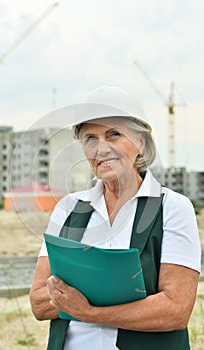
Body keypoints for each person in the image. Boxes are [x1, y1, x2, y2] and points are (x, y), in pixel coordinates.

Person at [29, 86, 201, 350]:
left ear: (141, 143)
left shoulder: (173, 208)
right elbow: (39, 303)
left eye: (114, 134)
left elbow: (175, 309)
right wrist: (118, 300)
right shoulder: (69, 208)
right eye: (90, 138)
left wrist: (87, 310)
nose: (101, 148)